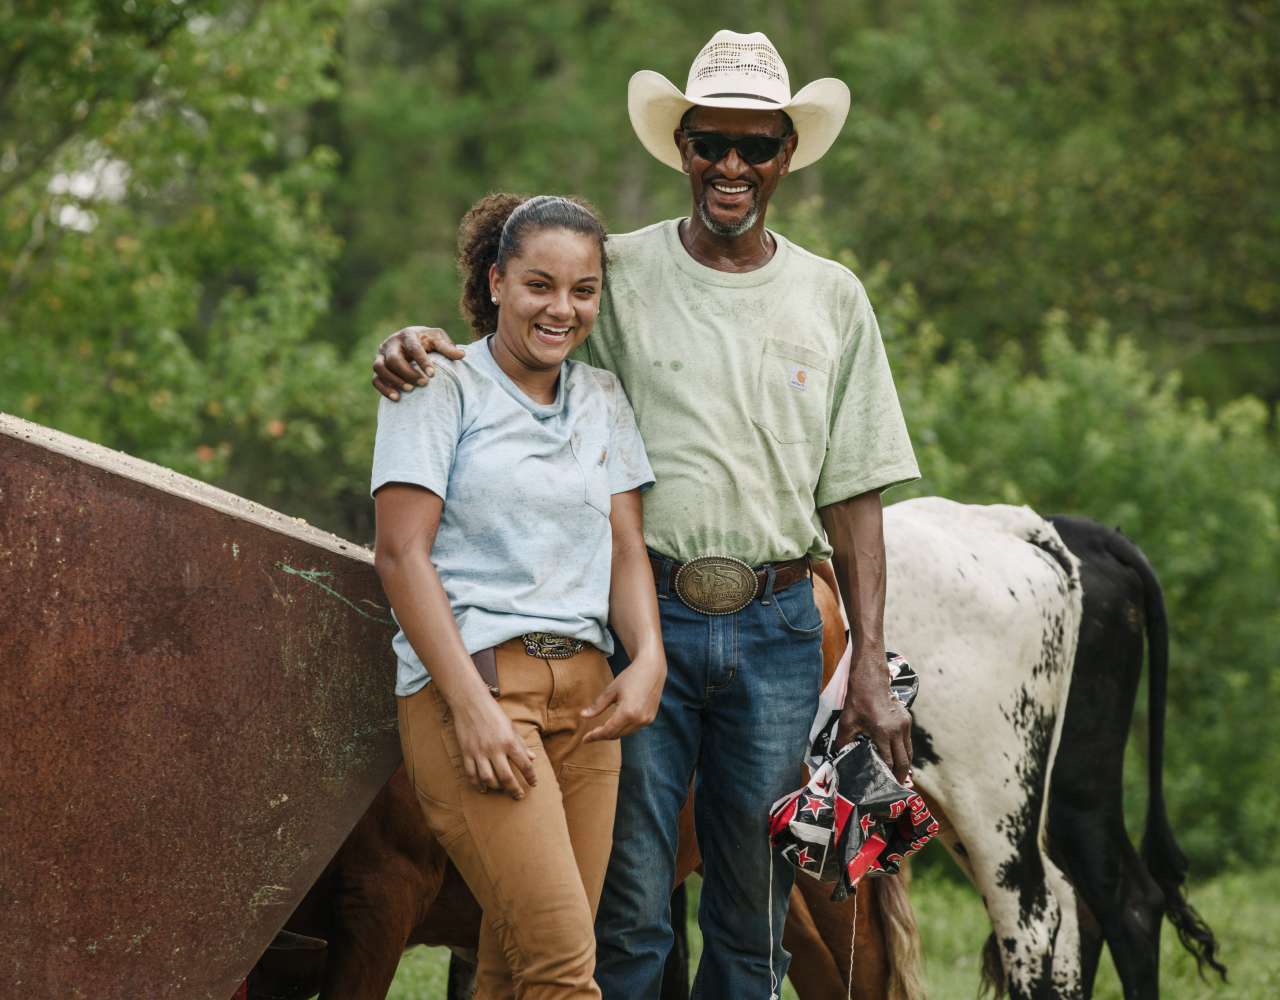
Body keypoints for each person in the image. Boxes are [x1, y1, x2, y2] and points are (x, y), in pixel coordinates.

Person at [371, 31, 920, 1000]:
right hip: (644, 617)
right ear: (682, 147)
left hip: (779, 623)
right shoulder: (613, 270)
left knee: (752, 913)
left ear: (787, 152)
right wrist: (413, 343)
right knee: (624, 912)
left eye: (756, 146)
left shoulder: (833, 297)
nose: (731, 166)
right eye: (711, 141)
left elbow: (856, 488)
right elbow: (519, 312)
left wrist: (869, 655)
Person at [372, 193, 667, 999]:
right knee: (566, 968)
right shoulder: (440, 386)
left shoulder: (602, 398)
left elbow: (625, 544)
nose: (561, 309)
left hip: (590, 705)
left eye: (583, 290)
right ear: (496, 281)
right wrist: (469, 706)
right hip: (480, 690)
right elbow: (400, 554)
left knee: (511, 960)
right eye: (540, 285)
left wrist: (648, 662)